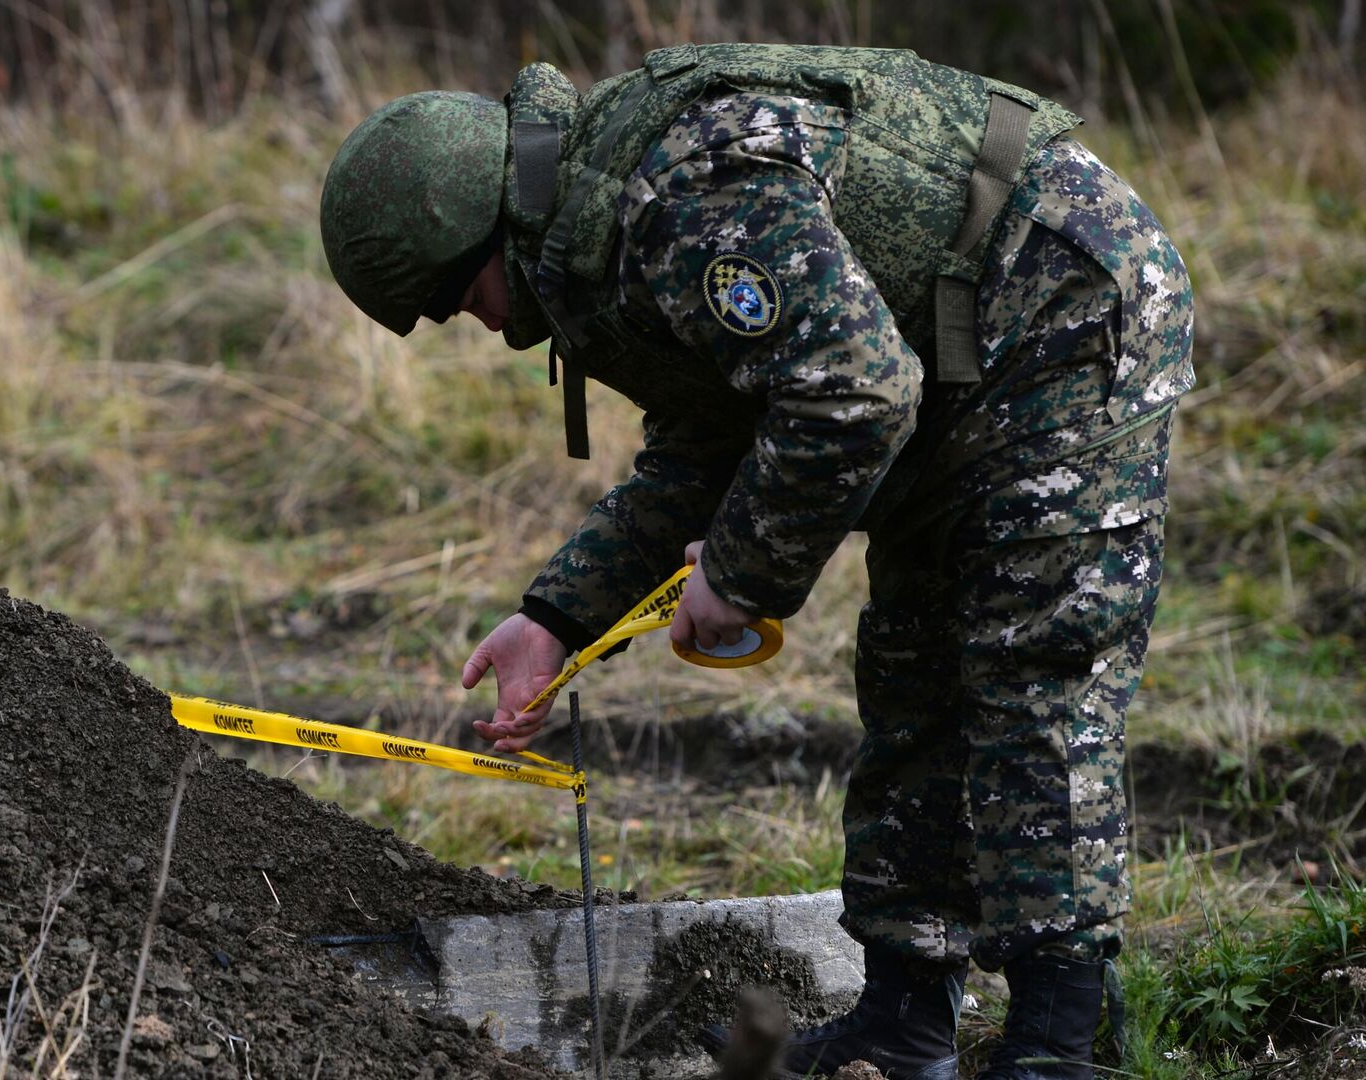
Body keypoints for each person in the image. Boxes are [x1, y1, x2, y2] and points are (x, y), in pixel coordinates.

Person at [318, 42, 1193, 1080]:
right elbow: (704, 441)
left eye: (467, 301)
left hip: (1062, 308)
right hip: (946, 353)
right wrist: (555, 617)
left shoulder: (678, 197)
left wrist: (738, 576)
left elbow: (852, 391)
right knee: (914, 679)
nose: (491, 329)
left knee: (1028, 679)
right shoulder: (598, 235)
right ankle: (906, 1024)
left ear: (484, 231)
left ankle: (1054, 1050)